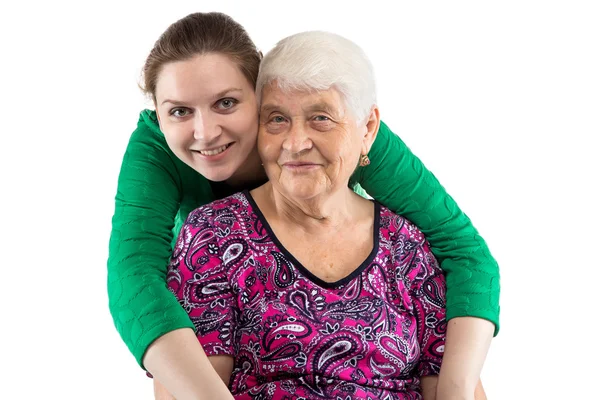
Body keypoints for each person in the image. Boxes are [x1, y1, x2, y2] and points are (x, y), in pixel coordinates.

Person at [107, 12, 498, 399]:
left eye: (226, 103)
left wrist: (456, 388)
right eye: (179, 110)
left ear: (260, 93)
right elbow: (134, 277)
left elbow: (462, 248)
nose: (205, 132)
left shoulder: (355, 137)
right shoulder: (198, 214)